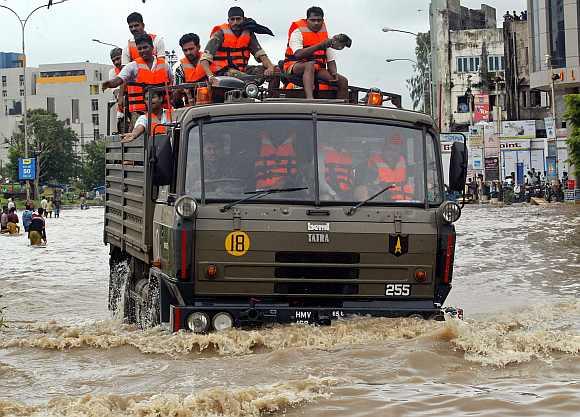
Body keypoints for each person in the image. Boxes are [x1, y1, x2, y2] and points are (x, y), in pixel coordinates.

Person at [102, 34, 172, 125]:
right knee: (138, 135)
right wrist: (109, 83)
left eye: (145, 47)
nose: (142, 51)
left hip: (163, 112)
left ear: (152, 47)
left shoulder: (165, 65)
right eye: (139, 49)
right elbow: (119, 79)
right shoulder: (132, 66)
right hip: (140, 113)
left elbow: (172, 82)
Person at [283, 6, 349, 99]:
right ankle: (310, 99)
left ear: (323, 20)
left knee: (343, 81)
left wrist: (334, 73)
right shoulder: (297, 31)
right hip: (294, 66)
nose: (316, 23)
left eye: (319, 20)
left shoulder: (325, 34)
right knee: (309, 65)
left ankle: (342, 108)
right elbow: (298, 54)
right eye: (313, 20)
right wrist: (319, 46)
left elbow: (330, 59)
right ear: (307, 20)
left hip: (317, 68)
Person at [200, 7, 278, 82]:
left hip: (242, 70)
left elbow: (262, 55)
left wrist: (270, 67)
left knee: (276, 70)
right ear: (228, 20)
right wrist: (211, 76)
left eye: (238, 19)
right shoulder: (220, 34)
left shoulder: (248, 33)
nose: (235, 22)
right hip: (223, 72)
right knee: (243, 77)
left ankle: (272, 94)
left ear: (243, 19)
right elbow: (204, 60)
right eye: (232, 19)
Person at [354, 133, 414, 201]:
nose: (392, 153)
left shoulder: (406, 164)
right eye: (389, 149)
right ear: (383, 149)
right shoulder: (369, 165)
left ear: (400, 151)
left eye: (395, 150)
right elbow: (362, 189)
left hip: (408, 205)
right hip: (381, 205)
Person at [173, 33, 207, 106]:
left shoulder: (210, 61)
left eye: (191, 49)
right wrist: (178, 91)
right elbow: (176, 98)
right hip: (191, 109)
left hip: (213, 105)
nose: (188, 53)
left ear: (198, 47)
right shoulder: (180, 70)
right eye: (185, 50)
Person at [108, 47, 127, 133]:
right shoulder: (112, 72)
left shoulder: (132, 67)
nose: (116, 62)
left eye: (118, 58)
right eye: (113, 61)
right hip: (122, 111)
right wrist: (120, 95)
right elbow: (116, 91)